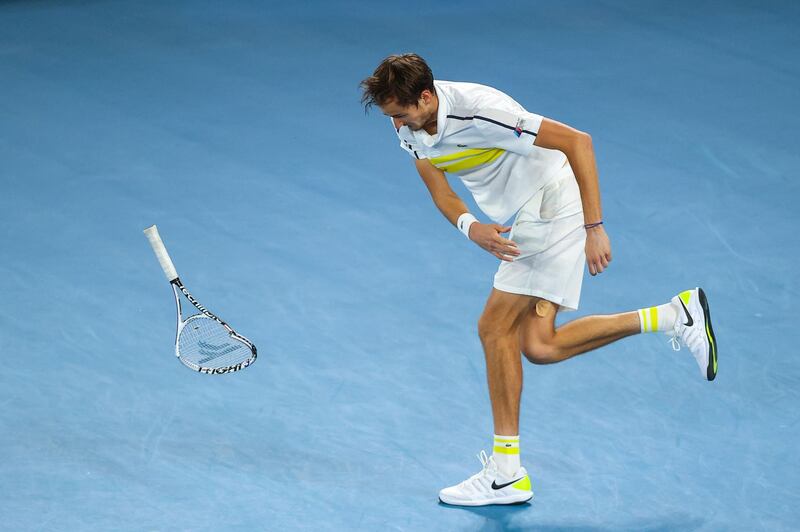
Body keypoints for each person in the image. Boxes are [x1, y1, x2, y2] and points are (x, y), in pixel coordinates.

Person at [360, 53, 718, 507]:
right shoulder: (409, 128)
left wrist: (594, 228)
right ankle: (674, 315)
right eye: (390, 116)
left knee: (493, 328)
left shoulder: (480, 109)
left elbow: (578, 142)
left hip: (551, 203)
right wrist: (473, 228)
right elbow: (440, 189)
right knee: (539, 346)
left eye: (400, 114)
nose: (396, 125)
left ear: (426, 97)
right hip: (531, 209)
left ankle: (507, 473)